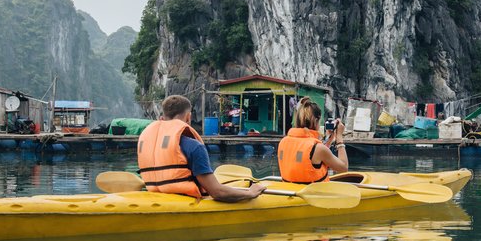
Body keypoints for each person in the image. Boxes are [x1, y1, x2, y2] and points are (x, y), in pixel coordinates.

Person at [138, 94, 266, 201]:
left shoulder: (146, 142)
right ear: (188, 117)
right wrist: (250, 193)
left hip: (156, 196)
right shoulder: (194, 147)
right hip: (185, 201)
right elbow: (216, 192)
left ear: (162, 118)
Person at [276, 96, 348, 183]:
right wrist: (339, 137)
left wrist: (329, 140)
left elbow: (312, 156)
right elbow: (343, 168)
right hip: (312, 194)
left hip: (290, 192)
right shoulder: (318, 148)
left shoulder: (283, 141)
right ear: (316, 121)